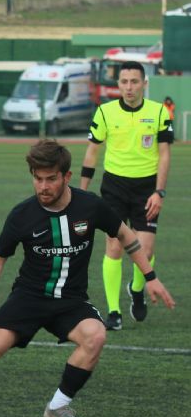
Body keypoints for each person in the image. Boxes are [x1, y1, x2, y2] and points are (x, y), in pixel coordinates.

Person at [0, 140, 174, 417]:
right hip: (29, 298)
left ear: (66, 177)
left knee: (96, 336)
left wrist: (151, 277)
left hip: (71, 301)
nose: (43, 186)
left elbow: (126, 235)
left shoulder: (91, 206)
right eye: (37, 178)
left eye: (51, 179)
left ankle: (57, 407)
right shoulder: (22, 214)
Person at [79, 61, 173, 331]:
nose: (129, 87)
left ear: (145, 83)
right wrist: (83, 192)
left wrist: (159, 191)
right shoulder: (105, 112)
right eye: (124, 82)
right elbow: (92, 152)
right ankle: (114, 312)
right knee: (113, 247)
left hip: (147, 189)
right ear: (118, 84)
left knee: (146, 250)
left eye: (134, 81)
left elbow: (165, 154)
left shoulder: (159, 112)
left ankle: (137, 288)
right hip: (114, 187)